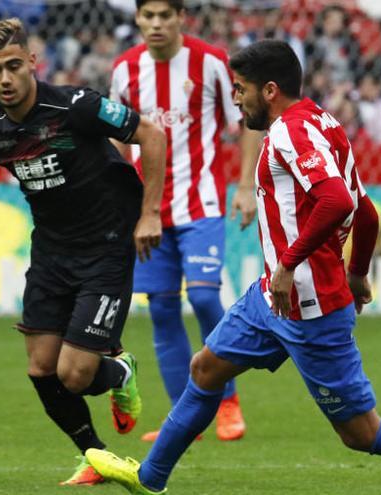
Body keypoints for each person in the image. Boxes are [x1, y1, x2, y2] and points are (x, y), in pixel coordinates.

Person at [86, 40, 381, 495]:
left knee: (362, 433)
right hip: (270, 299)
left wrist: (289, 263)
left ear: (271, 90)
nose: (236, 98)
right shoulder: (324, 122)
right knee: (205, 369)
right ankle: (150, 479)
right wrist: (357, 273)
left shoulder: (289, 133)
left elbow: (339, 201)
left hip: (310, 309)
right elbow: (366, 210)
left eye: (241, 89)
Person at [0, 18, 167, 487]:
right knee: (42, 368)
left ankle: (118, 373)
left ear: (32, 63)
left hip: (106, 246)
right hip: (51, 252)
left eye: (13, 66)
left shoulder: (76, 106)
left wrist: (150, 214)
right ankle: (98, 456)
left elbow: (152, 135)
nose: (4, 79)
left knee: (75, 374)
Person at [109, 0, 264, 443]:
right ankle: (185, 419)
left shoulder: (211, 63)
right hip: (149, 210)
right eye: (148, 16)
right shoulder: (124, 70)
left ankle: (228, 400)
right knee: (160, 307)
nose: (156, 24)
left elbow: (248, 121)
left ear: (180, 17)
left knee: (202, 297)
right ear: (138, 19)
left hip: (203, 201)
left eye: (165, 15)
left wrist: (246, 184)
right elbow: (119, 139)